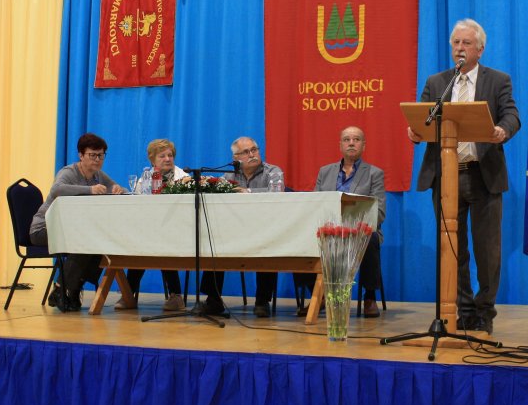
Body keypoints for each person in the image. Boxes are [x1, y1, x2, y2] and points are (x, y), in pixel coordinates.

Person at [407, 18, 520, 335]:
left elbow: (512, 114)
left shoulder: (498, 80)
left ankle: (484, 312)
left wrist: (502, 130)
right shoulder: (438, 82)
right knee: (452, 249)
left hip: (483, 175)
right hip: (446, 176)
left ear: (480, 49)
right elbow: (423, 118)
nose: (460, 48)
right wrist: (415, 132)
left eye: (466, 43)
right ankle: (462, 310)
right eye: (456, 43)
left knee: (487, 251)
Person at [296, 126, 386, 318]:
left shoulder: (374, 173)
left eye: (356, 139)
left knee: (371, 238)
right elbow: (315, 205)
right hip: (329, 230)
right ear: (340, 145)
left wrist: (356, 221)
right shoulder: (325, 172)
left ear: (363, 145)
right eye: (347, 139)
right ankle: (318, 296)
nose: (351, 143)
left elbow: (379, 213)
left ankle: (370, 296)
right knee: (301, 238)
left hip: (358, 230)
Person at [29, 132, 124, 312]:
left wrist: (119, 189)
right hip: (44, 229)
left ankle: (72, 289)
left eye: (101, 155)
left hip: (70, 231)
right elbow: (57, 189)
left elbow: (118, 188)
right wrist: (90, 190)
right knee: (84, 242)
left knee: (100, 241)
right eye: (93, 155)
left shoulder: (98, 175)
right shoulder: (69, 172)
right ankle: (61, 289)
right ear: (81, 155)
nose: (97, 159)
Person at [200, 137, 286, 318]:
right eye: (246, 152)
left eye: (254, 150)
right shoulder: (228, 176)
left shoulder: (272, 171)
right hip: (235, 231)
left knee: (269, 247)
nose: (252, 154)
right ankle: (213, 300)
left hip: (265, 229)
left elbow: (276, 193)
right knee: (214, 242)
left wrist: (246, 192)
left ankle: (262, 301)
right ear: (236, 158)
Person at [120, 138, 188, 312]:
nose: (167, 159)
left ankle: (176, 296)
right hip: (149, 230)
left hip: (178, 230)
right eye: (162, 156)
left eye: (170, 155)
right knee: (141, 246)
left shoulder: (184, 178)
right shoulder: (144, 179)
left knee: (162, 245)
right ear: (152, 160)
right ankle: (129, 295)